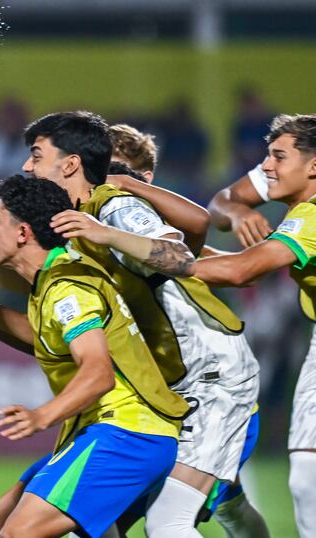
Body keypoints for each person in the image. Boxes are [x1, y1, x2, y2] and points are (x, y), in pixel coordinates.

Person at [0, 112, 259, 537]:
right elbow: (0, 219)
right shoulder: (62, 243)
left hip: (205, 376)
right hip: (155, 387)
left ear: (70, 164)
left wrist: (111, 227)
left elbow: (180, 254)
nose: (27, 165)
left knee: (168, 524)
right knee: (18, 520)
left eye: (36, 156)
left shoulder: (112, 209)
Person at [0, 174, 187, 538]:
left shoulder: (68, 289)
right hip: (110, 431)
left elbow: (99, 373)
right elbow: (48, 340)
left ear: (23, 233)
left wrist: (43, 416)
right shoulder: (53, 277)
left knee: (18, 532)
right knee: (2, 519)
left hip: (128, 433)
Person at [109, 125, 268, 538]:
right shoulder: (97, 227)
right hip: (164, 390)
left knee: (168, 521)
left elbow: (222, 263)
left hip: (211, 383)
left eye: (115, 170)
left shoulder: (150, 231)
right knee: (224, 502)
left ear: (142, 179)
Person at [192, 114, 316, 538]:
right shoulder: (288, 172)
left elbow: (243, 270)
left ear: (313, 166)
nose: (266, 166)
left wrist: (148, 261)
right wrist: (238, 211)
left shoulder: (312, 215)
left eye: (277, 157)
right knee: (306, 473)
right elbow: (221, 202)